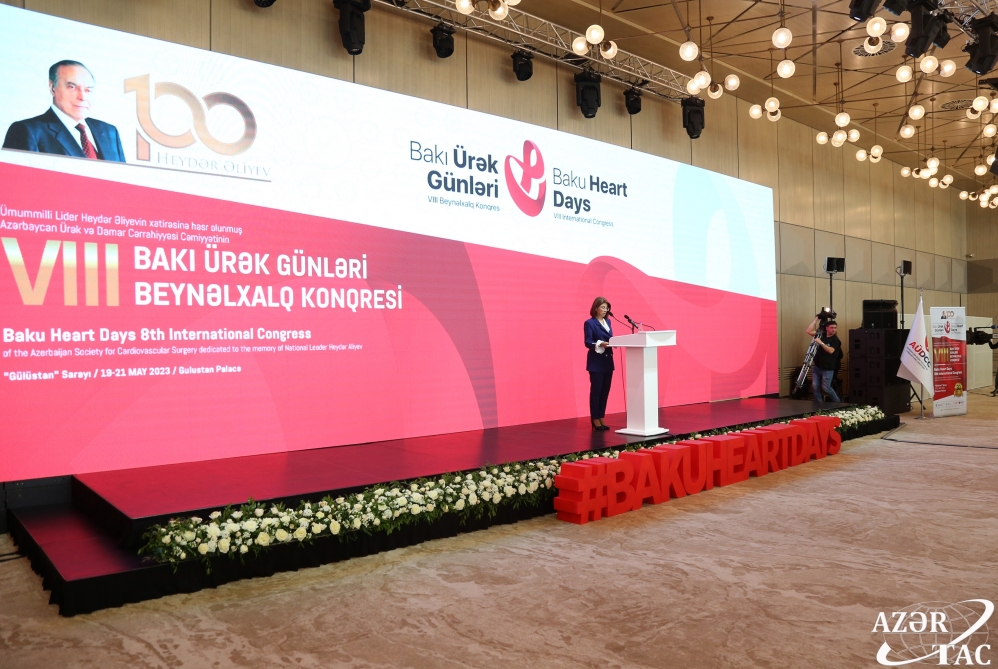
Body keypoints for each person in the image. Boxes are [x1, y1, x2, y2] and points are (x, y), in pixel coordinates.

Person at [3, 60, 125, 162]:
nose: (82, 97)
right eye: (72, 87)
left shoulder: (109, 132)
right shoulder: (26, 131)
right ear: (52, 88)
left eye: (88, 90)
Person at [584, 297, 614, 431]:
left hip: (608, 360)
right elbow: (587, 341)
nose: (605, 310)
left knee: (605, 391)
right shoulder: (589, 323)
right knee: (596, 391)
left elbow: (610, 337)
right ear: (596, 308)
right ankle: (595, 418)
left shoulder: (608, 321)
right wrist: (600, 343)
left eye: (607, 308)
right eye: (603, 307)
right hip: (596, 361)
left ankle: (601, 416)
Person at [805, 316, 841, 403]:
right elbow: (808, 331)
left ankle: (838, 402)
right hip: (817, 366)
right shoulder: (822, 335)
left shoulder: (835, 340)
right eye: (832, 327)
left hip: (828, 368)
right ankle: (819, 404)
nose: (834, 330)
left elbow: (831, 350)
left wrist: (821, 343)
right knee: (815, 386)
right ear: (827, 328)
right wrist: (816, 320)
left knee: (826, 388)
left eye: (835, 328)